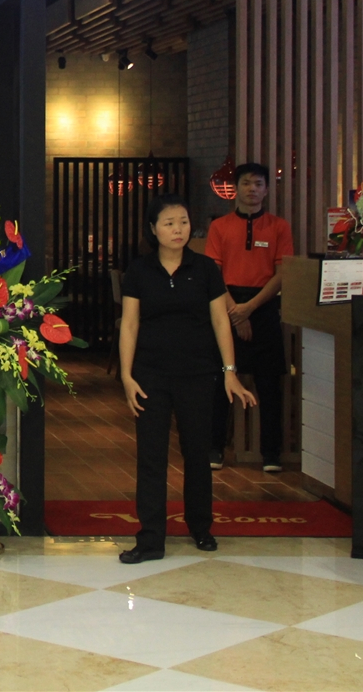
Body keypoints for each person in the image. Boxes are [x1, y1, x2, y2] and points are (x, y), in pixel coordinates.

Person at [118, 194, 256, 563]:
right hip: (150, 374)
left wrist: (230, 372)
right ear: (153, 229)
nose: (178, 229)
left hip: (197, 373)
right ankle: (151, 539)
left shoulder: (205, 268)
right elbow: (129, 324)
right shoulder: (139, 270)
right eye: (169, 223)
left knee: (197, 452)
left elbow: (220, 321)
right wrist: (127, 376)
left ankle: (200, 527)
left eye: (182, 222)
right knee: (151, 456)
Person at [204, 162, 294, 472]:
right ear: (236, 189)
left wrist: (250, 308)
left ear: (266, 190)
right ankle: (214, 448)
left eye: (258, 184)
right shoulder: (220, 226)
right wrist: (236, 312)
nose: (251, 189)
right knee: (220, 379)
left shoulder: (279, 226)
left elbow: (282, 273)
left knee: (269, 383)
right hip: (226, 304)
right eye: (246, 183)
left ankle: (271, 454)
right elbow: (213, 273)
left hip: (264, 306)